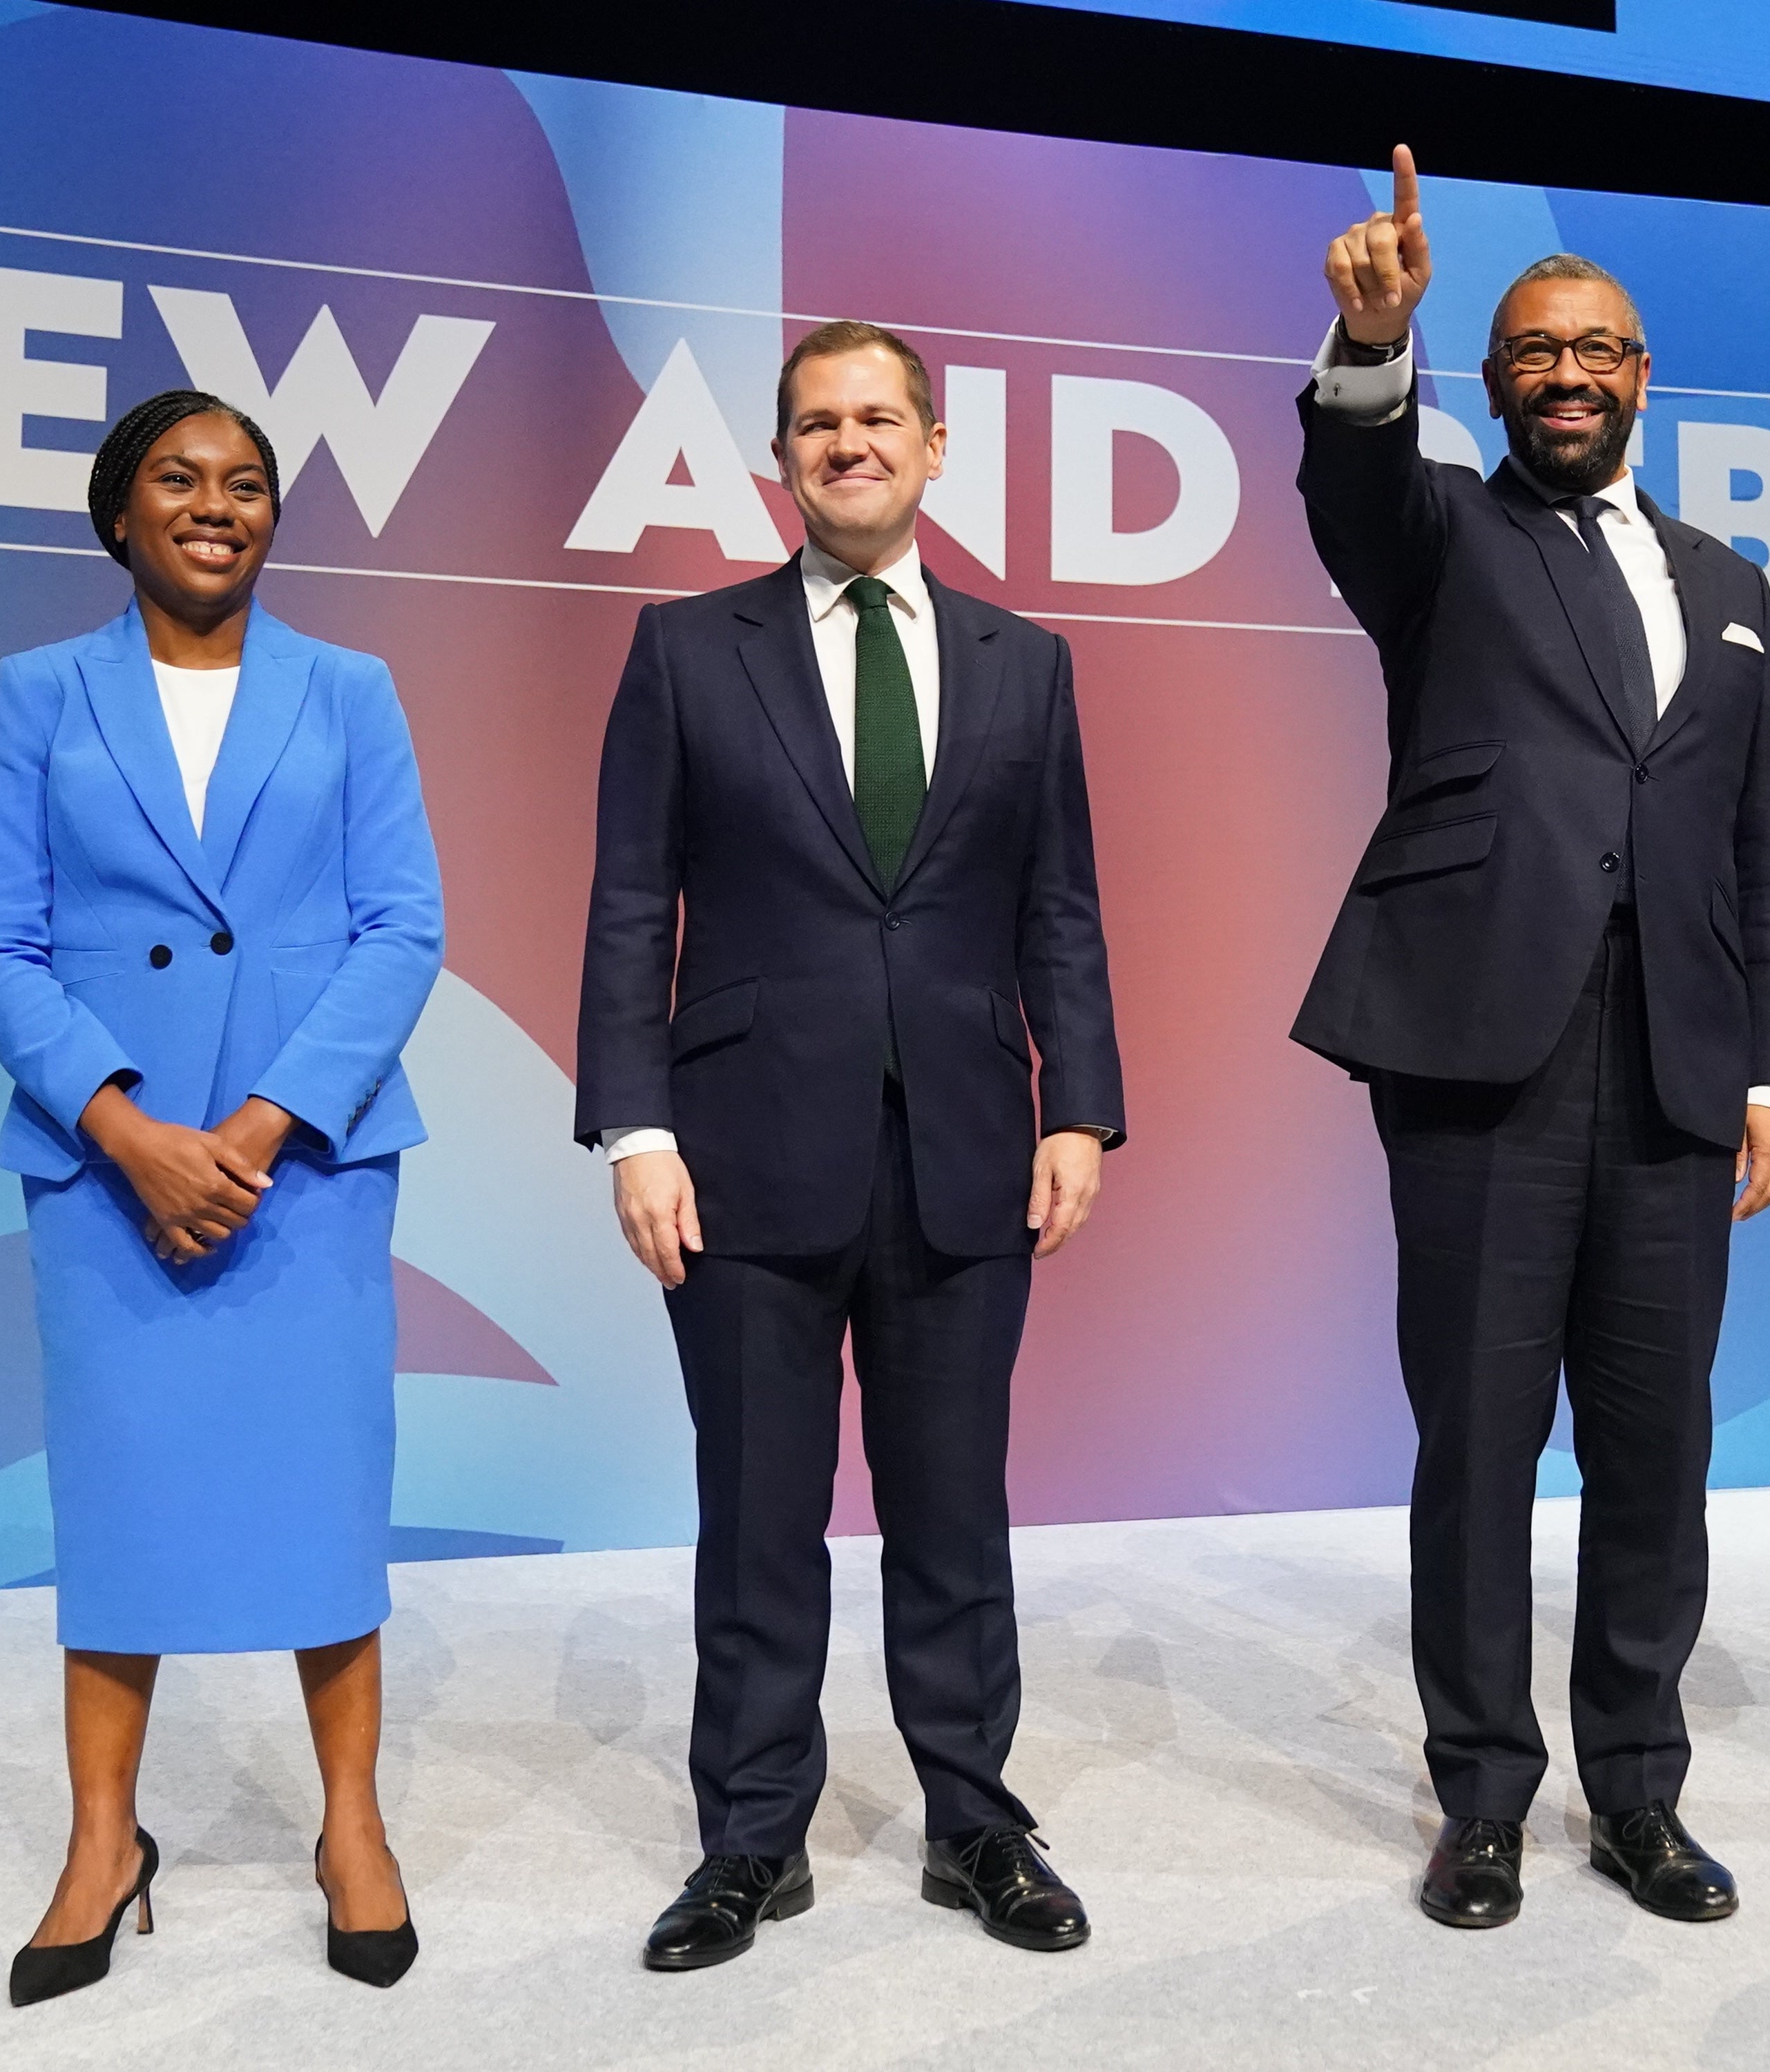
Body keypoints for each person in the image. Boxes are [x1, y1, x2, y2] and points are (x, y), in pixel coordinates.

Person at [1296, 148, 1770, 1929]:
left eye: (1598, 351)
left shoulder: (1730, 578)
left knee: (1657, 1448)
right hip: (1476, 1051)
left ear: (1643, 377)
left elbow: (1762, 837)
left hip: (1677, 1062)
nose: (1568, 375)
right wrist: (1376, 345)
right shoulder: (1444, 534)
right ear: (1499, 376)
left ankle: (1641, 1794)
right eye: (1533, 352)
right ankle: (1485, 1797)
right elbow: (1357, 486)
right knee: (1482, 1443)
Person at [577, 321, 1124, 1969]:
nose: (848, 444)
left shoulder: (1026, 662)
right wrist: (636, 1126)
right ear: (783, 456)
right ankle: (751, 1837)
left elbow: (1061, 909)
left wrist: (1081, 1104)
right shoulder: (686, 649)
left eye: (878, 418)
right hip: (738, 1150)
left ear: (935, 445)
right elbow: (626, 906)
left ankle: (976, 1821)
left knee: (956, 1513)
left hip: (963, 1137)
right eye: (816, 423)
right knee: (757, 1514)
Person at [0, 389, 447, 2000]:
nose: (216, 502)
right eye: (179, 477)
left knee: (320, 1490)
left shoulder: (351, 690)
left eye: (245, 483)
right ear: (119, 515)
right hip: (106, 1174)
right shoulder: (37, 693)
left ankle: (350, 1827)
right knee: (123, 1507)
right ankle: (106, 1839)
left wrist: (255, 1124)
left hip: (300, 1167)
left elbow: (402, 929)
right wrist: (128, 1129)